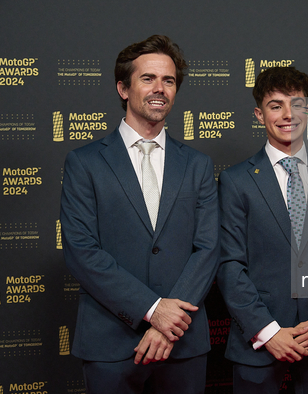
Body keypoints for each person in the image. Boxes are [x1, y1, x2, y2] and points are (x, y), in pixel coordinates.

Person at [60, 35, 219, 394]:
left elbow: (209, 249)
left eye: (169, 80)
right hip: (110, 343)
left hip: (184, 342)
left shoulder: (197, 164)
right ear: (123, 88)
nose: (159, 89)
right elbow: (82, 251)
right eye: (148, 78)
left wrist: (169, 322)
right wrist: (151, 309)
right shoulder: (84, 163)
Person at [216, 66, 308, 393]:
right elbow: (229, 264)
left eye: (296, 104)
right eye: (275, 105)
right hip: (260, 344)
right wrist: (267, 331)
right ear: (258, 114)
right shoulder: (236, 181)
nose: (287, 114)